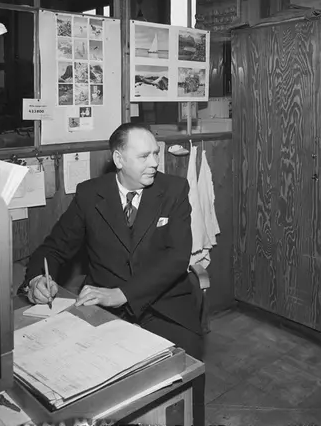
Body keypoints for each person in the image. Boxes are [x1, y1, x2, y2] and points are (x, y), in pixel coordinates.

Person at [20, 123, 203, 359]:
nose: (155, 163)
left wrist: (123, 293)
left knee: (183, 366)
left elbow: (177, 258)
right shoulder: (89, 194)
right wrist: (37, 280)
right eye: (144, 156)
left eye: (155, 153)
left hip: (164, 305)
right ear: (118, 159)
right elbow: (54, 248)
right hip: (103, 305)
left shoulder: (174, 190)